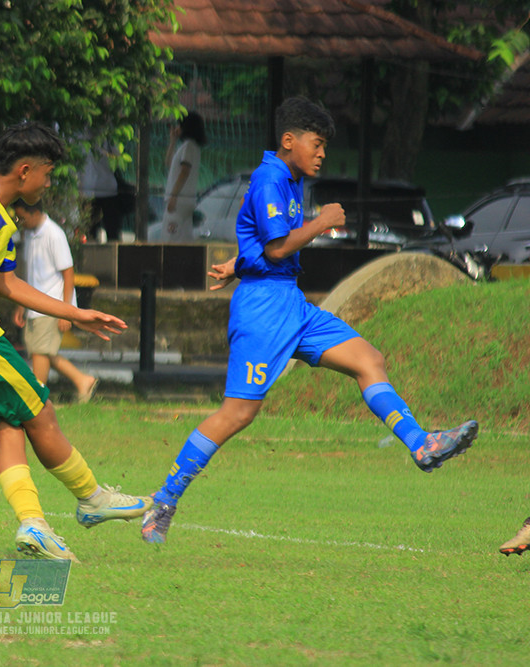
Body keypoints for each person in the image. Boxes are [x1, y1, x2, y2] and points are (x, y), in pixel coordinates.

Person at [141, 97, 479, 544]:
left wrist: (237, 263)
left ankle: (421, 443)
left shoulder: (289, 181)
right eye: (316, 144)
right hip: (264, 310)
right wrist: (322, 222)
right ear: (289, 141)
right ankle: (162, 503)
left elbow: (262, 244)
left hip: (291, 304)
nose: (322, 154)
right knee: (238, 413)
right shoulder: (269, 180)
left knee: (368, 359)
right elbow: (278, 248)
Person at [0, 120, 152, 562]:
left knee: (8, 427)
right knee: (42, 412)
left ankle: (34, 526)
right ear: (24, 171)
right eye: (48, 173)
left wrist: (75, 311)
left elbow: (8, 285)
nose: (49, 182)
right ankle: (92, 499)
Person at [11, 199, 98, 403]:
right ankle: (82, 380)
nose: (19, 222)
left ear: (33, 213)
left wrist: (66, 311)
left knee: (41, 352)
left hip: (51, 306)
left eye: (21, 217)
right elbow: (28, 274)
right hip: (34, 305)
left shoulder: (54, 234)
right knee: (40, 351)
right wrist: (21, 304)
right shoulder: (30, 234)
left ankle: (37, 399)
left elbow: (68, 274)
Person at [160, 110, 208, 243]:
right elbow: (169, 164)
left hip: (179, 202)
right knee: (184, 238)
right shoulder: (190, 147)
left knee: (170, 237)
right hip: (186, 201)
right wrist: (172, 141)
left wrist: (173, 196)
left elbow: (184, 172)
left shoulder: (188, 146)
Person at [79, 147, 122, 242]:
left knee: (112, 234)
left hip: (108, 189)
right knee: (89, 234)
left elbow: (118, 157)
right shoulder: (79, 135)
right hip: (87, 191)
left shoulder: (107, 137)